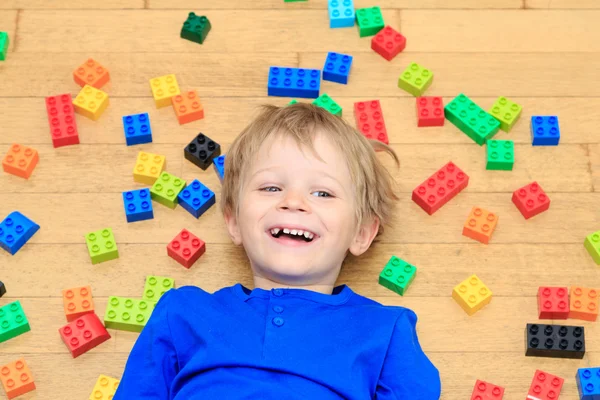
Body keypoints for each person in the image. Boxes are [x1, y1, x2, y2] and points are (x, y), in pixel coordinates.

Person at [114, 103, 441, 399]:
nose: (293, 201)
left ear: (361, 233)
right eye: (271, 187)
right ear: (234, 222)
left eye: (323, 193)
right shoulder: (183, 311)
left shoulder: (384, 329)